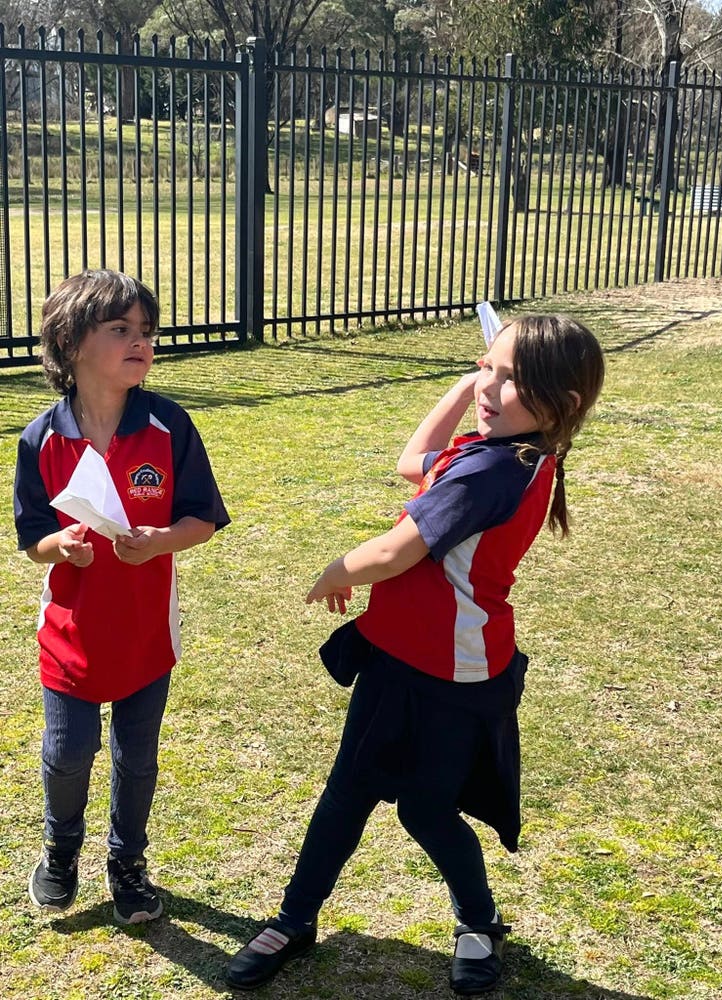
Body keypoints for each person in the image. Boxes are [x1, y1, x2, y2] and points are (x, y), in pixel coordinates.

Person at [227, 313, 604, 995]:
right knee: (347, 795)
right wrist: (470, 387)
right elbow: (410, 463)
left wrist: (338, 569)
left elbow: (395, 552)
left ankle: (479, 923)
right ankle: (294, 919)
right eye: (486, 366)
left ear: (563, 403)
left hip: (454, 675)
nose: (490, 384)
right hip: (399, 660)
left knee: (425, 809)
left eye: (509, 376)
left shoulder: (498, 469)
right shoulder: (496, 452)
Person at [14, 269, 230, 925]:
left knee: (137, 760)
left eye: (146, 331)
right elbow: (32, 539)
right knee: (67, 753)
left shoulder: (168, 426)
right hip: (72, 637)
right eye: (120, 330)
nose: (141, 341)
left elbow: (204, 516)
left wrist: (161, 540)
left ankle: (127, 863)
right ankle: (61, 850)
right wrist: (64, 547)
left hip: (144, 636)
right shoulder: (41, 439)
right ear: (73, 343)